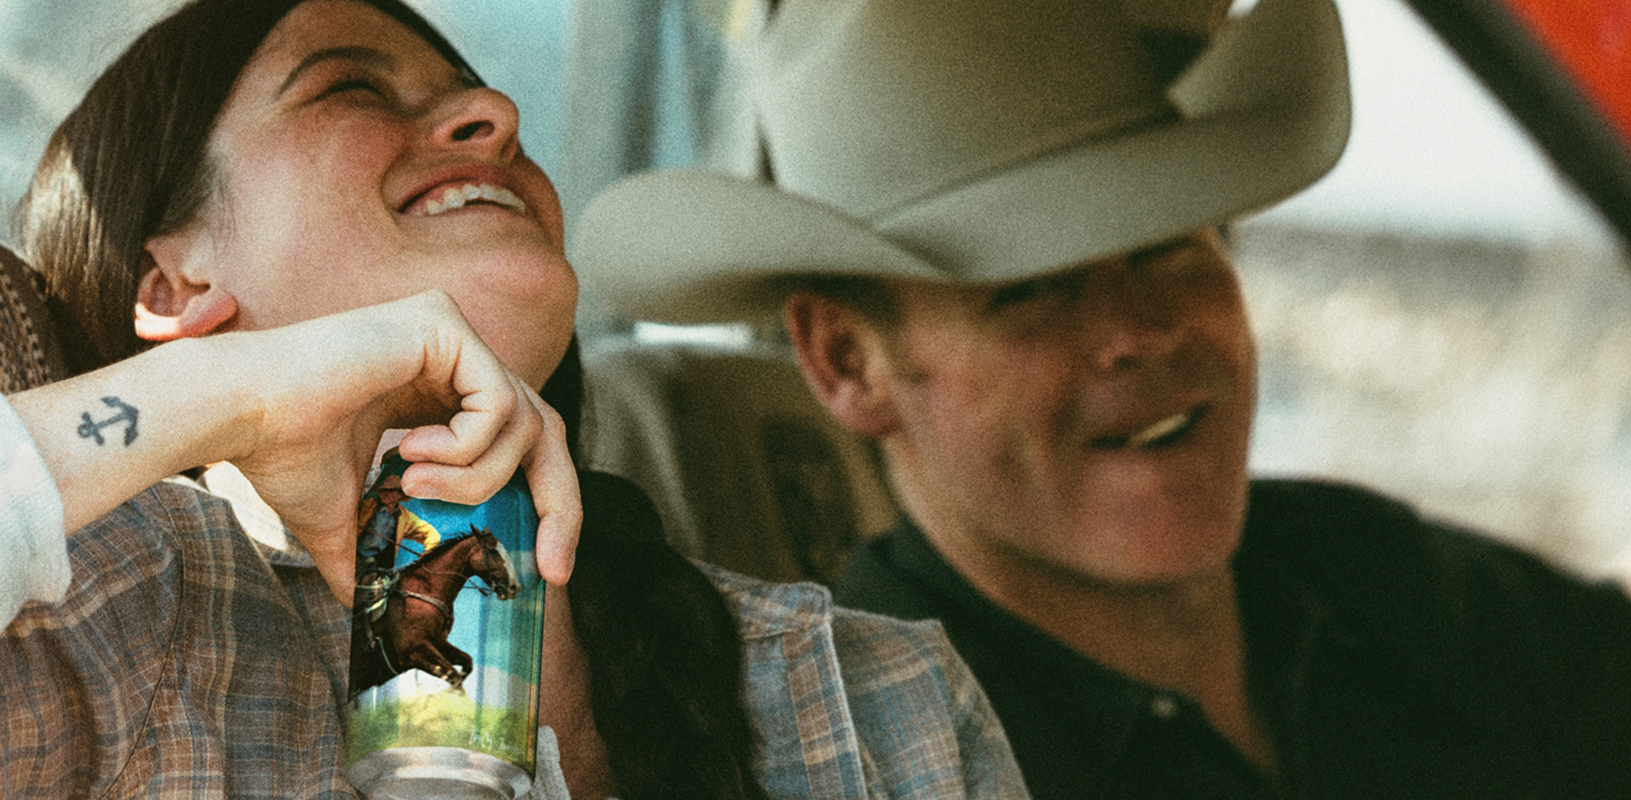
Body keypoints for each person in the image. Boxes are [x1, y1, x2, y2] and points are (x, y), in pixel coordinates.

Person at [574, 0, 1631, 796]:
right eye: (1029, 291)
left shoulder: (1365, 578)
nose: (1142, 328)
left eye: (1170, 244)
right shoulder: (877, 738)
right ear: (848, 365)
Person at [0, 1, 1027, 798]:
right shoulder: (115, 613)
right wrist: (236, 394)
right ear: (171, 288)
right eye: (348, 87)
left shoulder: (876, 693)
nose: (500, 115)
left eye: (476, 89)